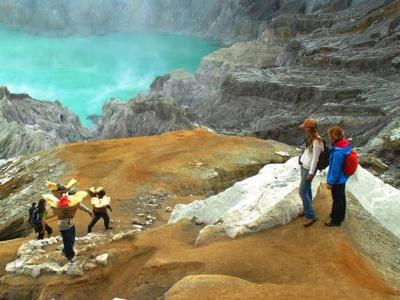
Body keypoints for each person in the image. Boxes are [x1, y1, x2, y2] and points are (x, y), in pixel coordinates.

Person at [298, 117, 323, 227]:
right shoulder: (311, 138)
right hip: (304, 166)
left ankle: (311, 215)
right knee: (307, 189)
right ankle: (307, 208)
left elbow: (315, 159)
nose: (304, 129)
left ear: (309, 128)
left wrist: (311, 173)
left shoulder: (317, 141)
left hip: (308, 169)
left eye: (305, 127)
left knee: (302, 191)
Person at [326, 126, 351, 227]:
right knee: (341, 198)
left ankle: (335, 220)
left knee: (337, 200)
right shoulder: (344, 145)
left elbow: (335, 170)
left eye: (330, 136)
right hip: (343, 178)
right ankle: (341, 216)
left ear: (335, 137)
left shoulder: (338, 153)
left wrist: (330, 182)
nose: (329, 138)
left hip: (337, 180)